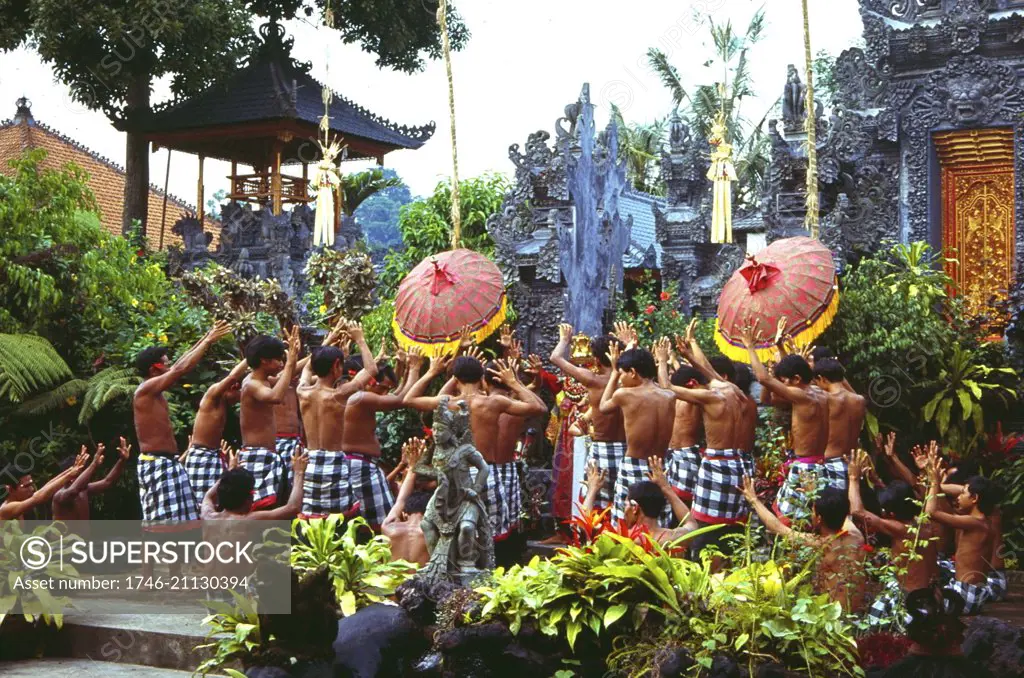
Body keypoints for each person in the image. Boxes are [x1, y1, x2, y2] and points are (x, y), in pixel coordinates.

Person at [404, 355, 546, 543]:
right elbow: (539, 407)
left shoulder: (448, 402)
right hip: (486, 474)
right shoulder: (493, 403)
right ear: (481, 378)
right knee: (492, 537)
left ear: (456, 379)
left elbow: (409, 399)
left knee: (455, 537)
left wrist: (432, 371)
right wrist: (514, 382)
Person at [133, 321, 231, 576]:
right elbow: (180, 368)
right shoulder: (146, 389)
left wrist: (206, 338)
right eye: (164, 362)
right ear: (156, 367)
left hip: (168, 462)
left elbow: (178, 365)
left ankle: (175, 575)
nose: (169, 364)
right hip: (156, 463)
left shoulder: (155, 391)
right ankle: (147, 577)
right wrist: (208, 340)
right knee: (154, 524)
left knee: (179, 522)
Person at [654, 337, 750, 539]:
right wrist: (690, 352)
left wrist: (662, 360)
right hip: (735, 463)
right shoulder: (734, 391)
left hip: (716, 464)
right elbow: (710, 371)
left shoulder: (711, 396)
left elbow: (665, 387)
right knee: (730, 527)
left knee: (704, 529)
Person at [740, 324, 829, 524]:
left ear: (797, 379)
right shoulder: (820, 393)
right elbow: (774, 393)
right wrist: (780, 348)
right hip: (817, 464)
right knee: (807, 518)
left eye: (785, 382)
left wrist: (750, 346)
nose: (784, 387)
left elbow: (762, 378)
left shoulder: (801, 395)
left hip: (806, 468)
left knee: (788, 520)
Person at [741, 477, 868, 613]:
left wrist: (754, 500)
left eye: (813, 511)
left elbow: (777, 527)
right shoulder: (857, 536)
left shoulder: (824, 544)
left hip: (835, 616)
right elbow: (844, 511)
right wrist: (852, 478)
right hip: (856, 613)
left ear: (819, 518)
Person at [847, 450, 941, 627]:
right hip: (931, 596)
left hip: (912, 601)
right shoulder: (925, 522)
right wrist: (932, 479)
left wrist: (853, 478)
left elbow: (857, 512)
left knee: (865, 625)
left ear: (891, 514)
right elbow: (921, 494)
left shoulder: (900, 529)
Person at [297, 325, 379, 521]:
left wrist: (328, 340)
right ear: (336, 366)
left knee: (311, 517)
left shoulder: (302, 391)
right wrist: (359, 339)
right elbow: (371, 369)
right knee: (337, 519)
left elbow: (308, 367)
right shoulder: (338, 395)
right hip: (333, 461)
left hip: (309, 461)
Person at [550, 323, 626, 512]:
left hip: (601, 449)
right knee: (623, 505)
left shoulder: (592, 380)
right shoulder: (630, 380)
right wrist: (627, 346)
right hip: (627, 449)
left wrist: (564, 340)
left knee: (595, 504)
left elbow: (555, 357)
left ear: (596, 361)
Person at [599, 343, 676, 525]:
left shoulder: (625, 394)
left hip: (634, 465)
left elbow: (603, 407)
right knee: (658, 523)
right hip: (659, 468)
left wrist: (614, 373)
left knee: (625, 525)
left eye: (623, 373)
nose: (621, 379)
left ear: (632, 372)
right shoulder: (670, 396)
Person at [340, 347, 416, 530]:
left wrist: (404, 369)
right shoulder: (358, 398)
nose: (384, 394)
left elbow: (394, 395)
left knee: (365, 524)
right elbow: (402, 399)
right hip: (360, 467)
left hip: (360, 465)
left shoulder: (348, 395)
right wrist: (415, 368)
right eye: (381, 388)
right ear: (368, 381)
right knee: (385, 525)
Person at [923, 452, 1000, 615]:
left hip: (966, 593)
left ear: (975, 498)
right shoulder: (981, 522)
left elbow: (931, 512)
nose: (959, 496)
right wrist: (933, 480)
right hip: (970, 592)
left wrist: (935, 481)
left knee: (918, 609)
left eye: (963, 493)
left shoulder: (974, 523)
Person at [239, 327, 300, 510]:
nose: (282, 363)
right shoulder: (251, 384)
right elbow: (275, 397)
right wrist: (289, 364)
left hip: (267, 454)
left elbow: (286, 378)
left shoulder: (264, 380)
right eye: (278, 359)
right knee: (257, 509)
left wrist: (294, 358)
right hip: (255, 455)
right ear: (265, 361)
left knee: (272, 507)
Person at [182, 359, 248, 511]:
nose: (239, 396)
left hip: (213, 455)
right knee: (201, 503)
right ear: (231, 387)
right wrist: (249, 357)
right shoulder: (213, 394)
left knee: (218, 502)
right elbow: (232, 376)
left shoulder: (224, 404)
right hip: (201, 456)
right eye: (238, 391)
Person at [200, 450, 309, 521]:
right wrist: (299, 472)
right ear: (248, 499)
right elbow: (293, 508)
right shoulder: (247, 521)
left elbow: (208, 496)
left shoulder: (208, 516)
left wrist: (229, 472)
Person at [814, 358, 866, 491]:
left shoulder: (826, 399)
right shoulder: (859, 400)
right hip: (852, 462)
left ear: (822, 378)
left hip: (831, 462)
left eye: (817, 381)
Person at [657, 361, 704, 504]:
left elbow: (666, 385)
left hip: (687, 455)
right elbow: (663, 386)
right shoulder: (673, 398)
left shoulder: (696, 397)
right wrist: (663, 361)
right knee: (668, 496)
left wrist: (663, 360)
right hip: (671, 453)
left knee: (684, 498)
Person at [52, 438, 130, 521]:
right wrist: (94, 464)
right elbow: (73, 491)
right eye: (82, 472)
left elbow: (108, 481)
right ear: (72, 477)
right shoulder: (59, 496)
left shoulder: (84, 490)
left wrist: (122, 460)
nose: (86, 475)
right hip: (64, 534)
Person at [381, 438, 431, 566]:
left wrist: (413, 466)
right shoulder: (434, 533)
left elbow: (400, 500)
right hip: (422, 586)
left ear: (404, 513)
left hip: (391, 585)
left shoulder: (389, 527)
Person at [1, 450, 87, 521]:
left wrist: (71, 470)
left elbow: (44, 488)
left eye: (31, 484)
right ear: (10, 489)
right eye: (26, 486)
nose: (31, 489)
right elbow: (39, 497)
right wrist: (70, 475)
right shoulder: (6, 509)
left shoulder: (20, 501)